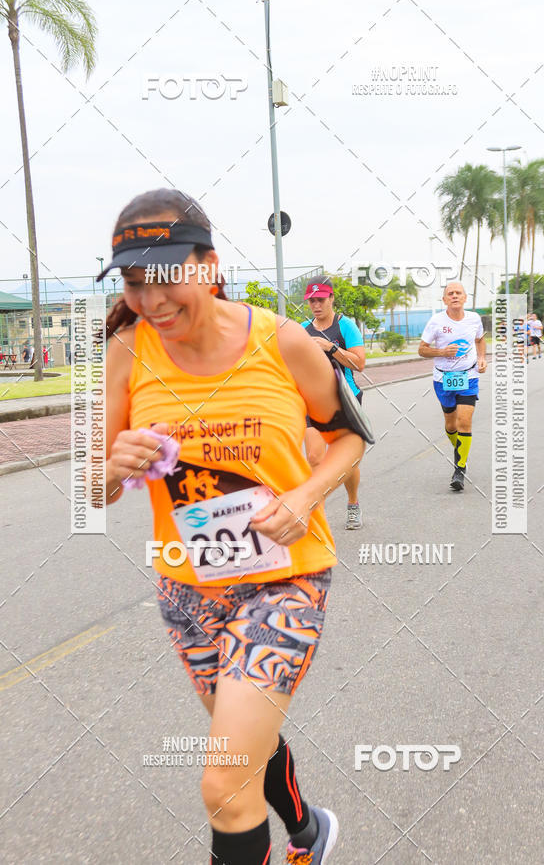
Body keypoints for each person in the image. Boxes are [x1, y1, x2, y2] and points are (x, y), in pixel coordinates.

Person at [102, 189, 365, 865]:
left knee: (223, 778)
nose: (153, 302)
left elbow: (348, 438)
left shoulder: (282, 340)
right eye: (135, 285)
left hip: (286, 580)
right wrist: (115, 465)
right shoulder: (128, 352)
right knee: (244, 741)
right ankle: (310, 832)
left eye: (166, 281)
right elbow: (95, 486)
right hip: (188, 593)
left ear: (209, 264)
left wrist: (307, 495)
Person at [301, 277, 366, 529]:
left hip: (345, 398)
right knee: (315, 457)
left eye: (321, 299)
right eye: (312, 301)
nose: (316, 305)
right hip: (313, 401)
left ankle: (353, 503)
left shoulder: (345, 326)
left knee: (345, 461)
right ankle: (319, 517)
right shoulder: (302, 329)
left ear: (331, 299)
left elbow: (359, 363)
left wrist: (330, 348)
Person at [418, 282, 487, 491]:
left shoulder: (474, 318)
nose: (455, 296)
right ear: (445, 299)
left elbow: (480, 339)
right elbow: (422, 350)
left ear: (465, 297)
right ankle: (460, 453)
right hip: (443, 379)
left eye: (458, 293)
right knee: (451, 425)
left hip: (469, 376)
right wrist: (442, 352)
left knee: (464, 422)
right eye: (450, 293)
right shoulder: (436, 321)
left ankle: (460, 468)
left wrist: (482, 357)